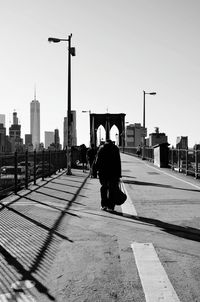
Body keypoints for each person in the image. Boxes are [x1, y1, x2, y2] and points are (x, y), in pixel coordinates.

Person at [95, 139, 121, 212]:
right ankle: (111, 207)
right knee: (112, 189)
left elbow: (97, 161)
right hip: (113, 172)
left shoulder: (101, 148)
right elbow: (118, 162)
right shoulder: (115, 148)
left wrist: (96, 170)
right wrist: (119, 174)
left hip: (103, 172)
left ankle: (104, 205)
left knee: (104, 188)